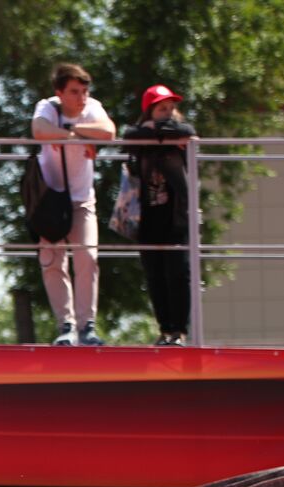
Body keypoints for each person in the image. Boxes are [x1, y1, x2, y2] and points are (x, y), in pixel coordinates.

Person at [30, 62, 115, 346]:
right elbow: (39, 129)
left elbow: (108, 131)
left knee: (87, 257)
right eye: (75, 92)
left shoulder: (92, 107)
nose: (81, 98)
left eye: (84, 91)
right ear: (60, 93)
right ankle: (65, 325)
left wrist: (71, 132)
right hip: (50, 200)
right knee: (53, 262)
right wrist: (73, 136)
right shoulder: (48, 107)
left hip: (82, 199)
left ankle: (86, 326)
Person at [123, 84, 198, 346]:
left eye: (170, 108)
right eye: (161, 109)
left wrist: (163, 134)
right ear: (149, 112)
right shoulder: (141, 135)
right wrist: (151, 134)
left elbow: (188, 132)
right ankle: (165, 329)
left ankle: (179, 330)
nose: (168, 113)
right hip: (147, 217)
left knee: (178, 272)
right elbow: (128, 136)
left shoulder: (179, 132)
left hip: (175, 215)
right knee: (154, 274)